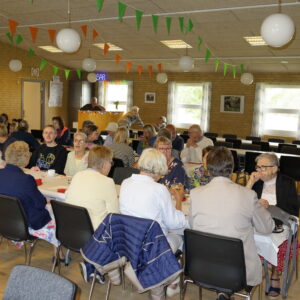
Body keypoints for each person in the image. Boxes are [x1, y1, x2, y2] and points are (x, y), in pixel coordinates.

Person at [189, 147, 274, 300]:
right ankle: (225, 292)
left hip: (202, 267)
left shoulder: (195, 194)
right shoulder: (248, 195)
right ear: (232, 168)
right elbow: (267, 228)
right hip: (238, 271)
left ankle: (223, 293)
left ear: (207, 168)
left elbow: (192, 226)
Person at [119, 148, 187, 297]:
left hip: (131, 243)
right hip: (153, 246)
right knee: (181, 236)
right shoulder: (159, 189)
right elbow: (174, 222)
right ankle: (172, 281)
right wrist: (179, 204)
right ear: (159, 168)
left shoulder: (125, 183)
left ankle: (161, 280)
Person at [246, 152, 299, 297]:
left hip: (280, 222)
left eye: (263, 167)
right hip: (257, 220)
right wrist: (250, 183)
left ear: (275, 168)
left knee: (273, 240)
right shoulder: (256, 181)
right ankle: (252, 268)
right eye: (258, 167)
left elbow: (293, 210)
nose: (259, 171)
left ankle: (275, 273)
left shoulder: (287, 182)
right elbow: (242, 202)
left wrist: (269, 208)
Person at [66, 146, 119, 283]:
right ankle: (98, 267)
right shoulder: (107, 182)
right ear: (103, 164)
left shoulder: (78, 176)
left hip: (71, 231)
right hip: (94, 237)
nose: (111, 166)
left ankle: (95, 268)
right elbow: (114, 214)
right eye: (110, 162)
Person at [0, 141, 60, 249]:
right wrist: (47, 201)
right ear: (25, 158)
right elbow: (40, 204)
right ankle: (58, 255)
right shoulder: (26, 179)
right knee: (55, 212)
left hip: (4, 221)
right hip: (25, 225)